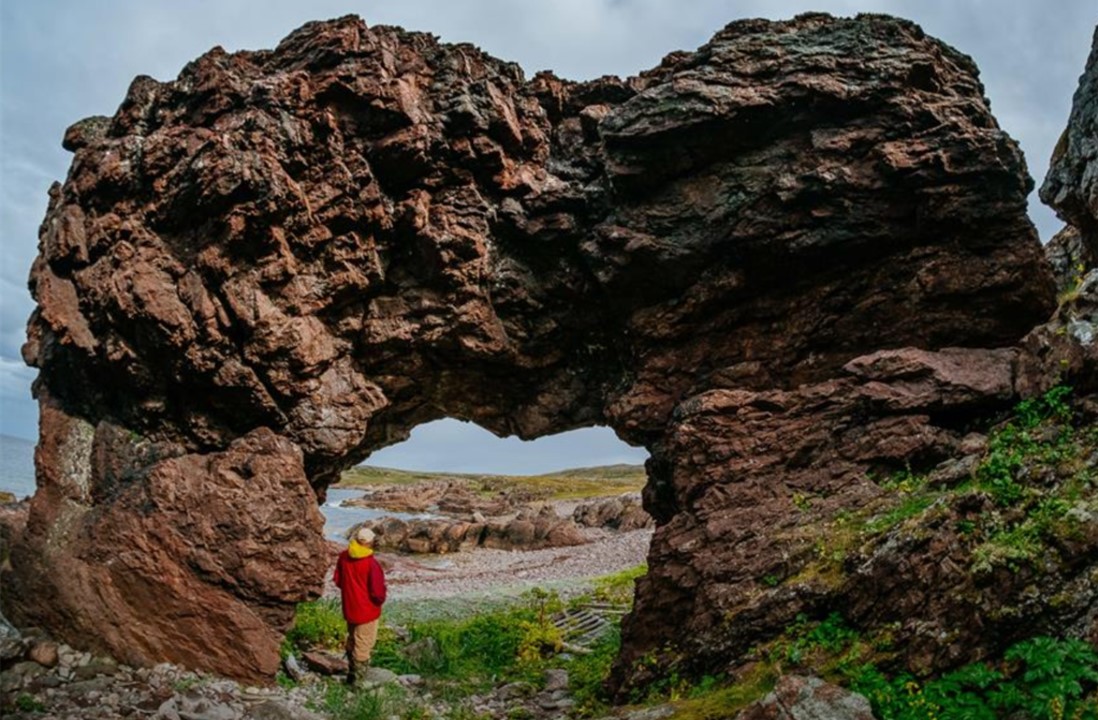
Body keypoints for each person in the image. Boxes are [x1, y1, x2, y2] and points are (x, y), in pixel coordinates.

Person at [333, 526, 387, 687]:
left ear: (356, 540)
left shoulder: (344, 556)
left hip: (350, 607)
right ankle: (357, 683)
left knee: (352, 639)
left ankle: (351, 674)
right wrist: (380, 600)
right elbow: (378, 593)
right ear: (370, 543)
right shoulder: (371, 564)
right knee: (363, 644)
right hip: (367, 610)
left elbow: (338, 580)